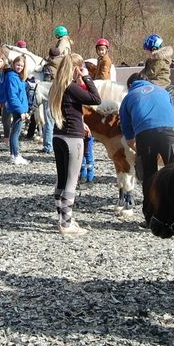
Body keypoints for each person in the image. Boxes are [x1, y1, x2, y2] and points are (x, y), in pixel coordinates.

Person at [120, 72, 174, 225]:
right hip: (170, 130)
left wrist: (137, 150)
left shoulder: (129, 97)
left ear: (130, 86)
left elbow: (128, 134)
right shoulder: (162, 91)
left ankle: (151, 218)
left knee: (149, 176)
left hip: (145, 133)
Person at [49, 53, 101, 236]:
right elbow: (96, 99)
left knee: (61, 179)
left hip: (58, 136)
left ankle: (62, 216)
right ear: (75, 68)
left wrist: (81, 121)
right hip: (73, 138)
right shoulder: (71, 87)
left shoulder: (56, 86)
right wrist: (86, 76)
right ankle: (66, 224)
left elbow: (67, 110)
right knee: (72, 181)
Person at [2, 55, 30, 165]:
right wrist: (21, 111)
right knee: (15, 133)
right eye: (18, 65)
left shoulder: (17, 76)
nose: (19, 67)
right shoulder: (12, 77)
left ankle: (14, 155)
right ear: (13, 64)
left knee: (15, 132)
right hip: (17, 109)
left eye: (22, 66)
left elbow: (20, 90)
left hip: (20, 107)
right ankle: (16, 155)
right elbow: (13, 96)